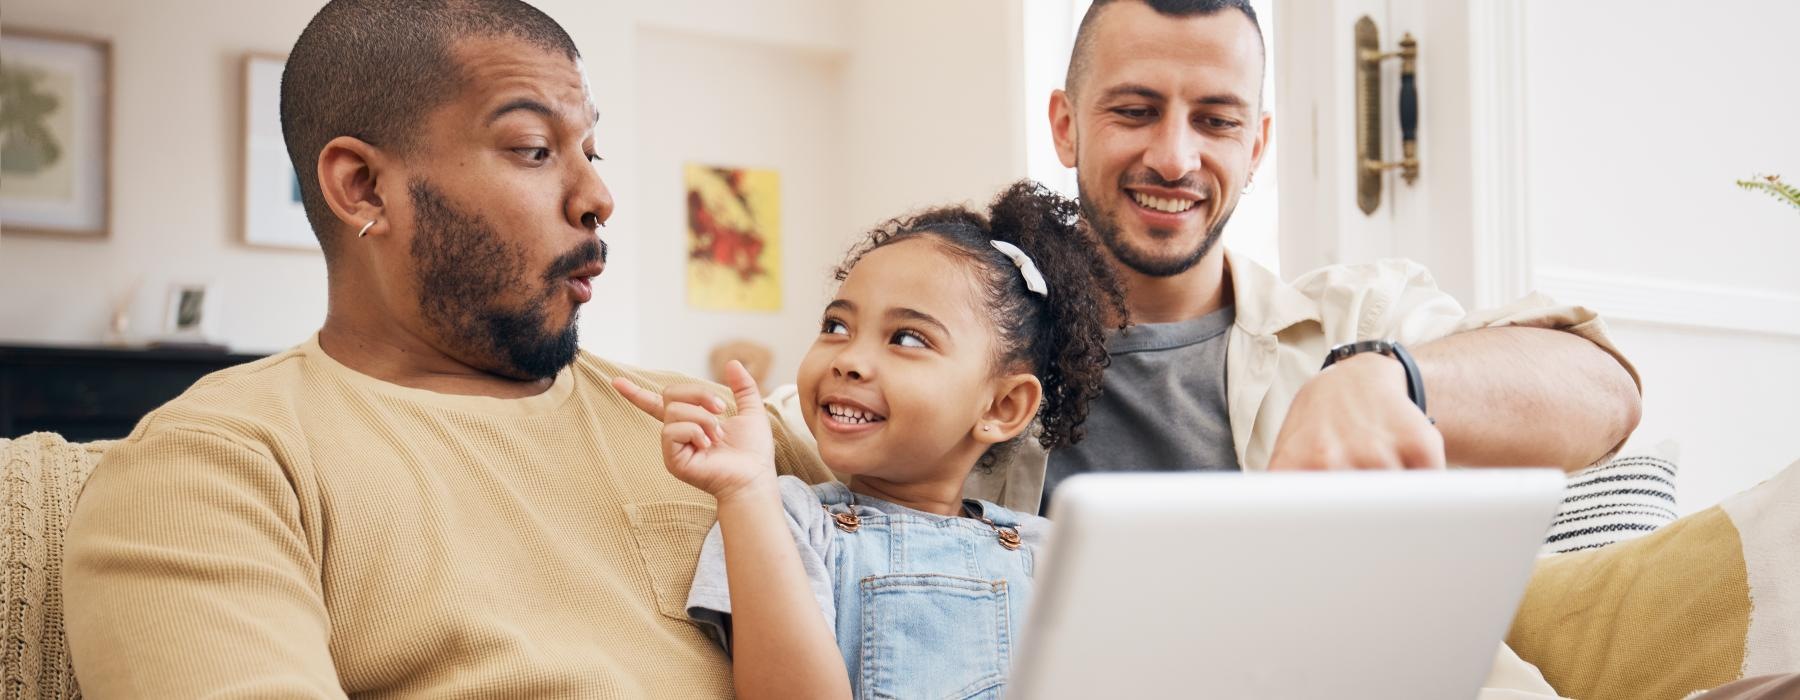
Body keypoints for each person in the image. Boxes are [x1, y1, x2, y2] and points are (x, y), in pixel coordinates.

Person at [62, 1, 832, 697]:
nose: (597, 198)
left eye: (590, 152)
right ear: (363, 187)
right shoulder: (213, 467)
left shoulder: (711, 430)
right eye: (534, 148)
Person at [960, 0, 1642, 514]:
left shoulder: (1357, 318)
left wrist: (1383, 377)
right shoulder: (965, 347)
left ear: (1255, 147)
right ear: (1065, 126)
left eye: (1216, 120)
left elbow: (1604, 395)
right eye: (1136, 111)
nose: (1174, 158)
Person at [616, 182, 1127, 699]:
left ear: (1002, 407)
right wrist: (746, 491)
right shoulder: (783, 520)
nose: (848, 359)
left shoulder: (1050, 552)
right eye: (836, 326)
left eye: (907, 338)